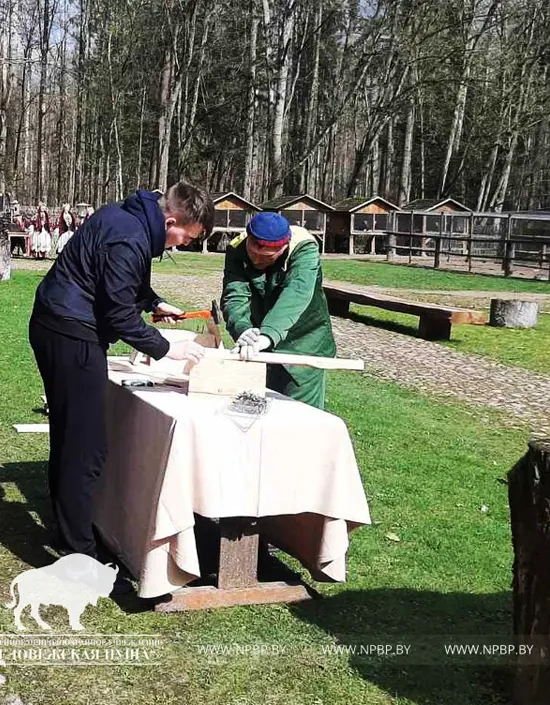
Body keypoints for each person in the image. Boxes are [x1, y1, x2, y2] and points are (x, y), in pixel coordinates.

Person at [29, 180, 213, 587]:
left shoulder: (133, 216)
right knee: (86, 447)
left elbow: (122, 283)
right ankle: (80, 556)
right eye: (185, 237)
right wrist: (168, 350)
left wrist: (153, 301)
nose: (180, 246)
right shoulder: (130, 238)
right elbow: (117, 315)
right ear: (171, 220)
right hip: (68, 331)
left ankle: (66, 531)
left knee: (69, 436)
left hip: (57, 323)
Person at [220, 211, 336, 409]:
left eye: (265, 257)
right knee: (255, 412)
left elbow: (296, 294)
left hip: (303, 346)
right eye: (252, 252)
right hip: (258, 346)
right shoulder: (237, 249)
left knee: (298, 418)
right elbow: (235, 295)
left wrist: (267, 335)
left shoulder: (304, 250)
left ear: (284, 247)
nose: (256, 260)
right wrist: (244, 329)